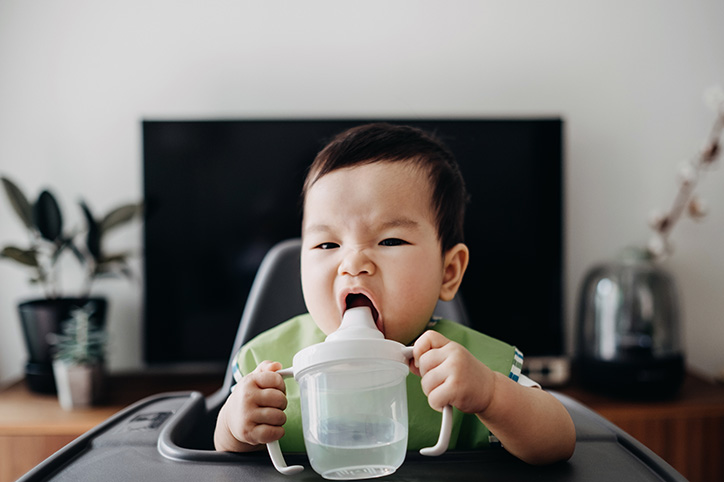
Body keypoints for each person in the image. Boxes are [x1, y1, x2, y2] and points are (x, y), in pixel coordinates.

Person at [214, 123, 576, 464]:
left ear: (448, 273)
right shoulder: (269, 363)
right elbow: (218, 453)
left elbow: (559, 441)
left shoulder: (471, 367)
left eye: (389, 240)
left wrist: (493, 396)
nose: (353, 263)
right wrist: (235, 425)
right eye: (327, 244)